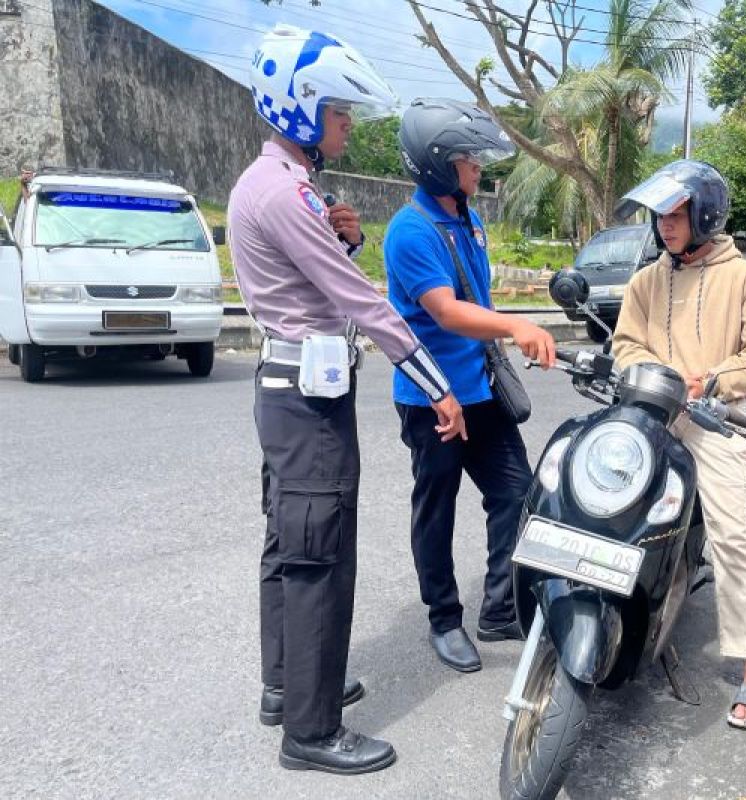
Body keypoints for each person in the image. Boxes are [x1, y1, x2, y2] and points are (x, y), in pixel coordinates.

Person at [229, 25, 465, 775]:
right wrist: (439, 388)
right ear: (299, 109)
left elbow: (317, 279)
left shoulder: (274, 184)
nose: (348, 123)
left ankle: (288, 686)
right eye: (337, 111)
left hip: (289, 391)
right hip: (308, 401)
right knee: (320, 555)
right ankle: (312, 730)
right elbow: (362, 304)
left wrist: (344, 238)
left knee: (288, 546)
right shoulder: (283, 192)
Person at [384, 98, 557, 674]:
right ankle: (444, 619)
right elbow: (450, 312)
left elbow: (477, 302)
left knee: (517, 493)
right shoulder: (410, 232)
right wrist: (516, 324)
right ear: (437, 166)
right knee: (437, 511)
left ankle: (501, 609)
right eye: (467, 158)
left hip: (482, 391)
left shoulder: (469, 219)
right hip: (434, 399)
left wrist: (507, 334)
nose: (478, 166)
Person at [612, 160, 746, 730]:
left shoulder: (743, 279)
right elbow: (625, 344)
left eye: (676, 213)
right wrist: (651, 376)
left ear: (705, 213)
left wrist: (709, 382)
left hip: (714, 419)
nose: (665, 224)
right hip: (652, 411)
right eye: (660, 214)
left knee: (733, 532)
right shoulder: (645, 280)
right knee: (605, 500)